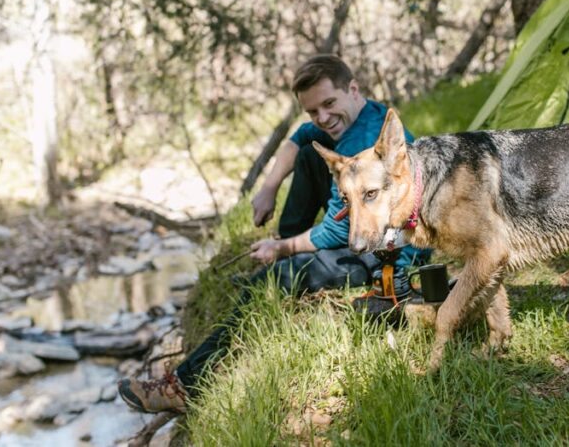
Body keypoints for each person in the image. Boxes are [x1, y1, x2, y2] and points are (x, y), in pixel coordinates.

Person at [118, 54, 430, 413]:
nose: (322, 117)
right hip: (365, 235)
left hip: (389, 254)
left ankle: (182, 388)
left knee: (274, 278)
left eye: (329, 104)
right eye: (313, 110)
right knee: (311, 154)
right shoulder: (360, 114)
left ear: (353, 89)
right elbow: (300, 136)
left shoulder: (361, 145)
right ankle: (288, 260)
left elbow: (336, 231)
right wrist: (268, 188)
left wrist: (281, 248)